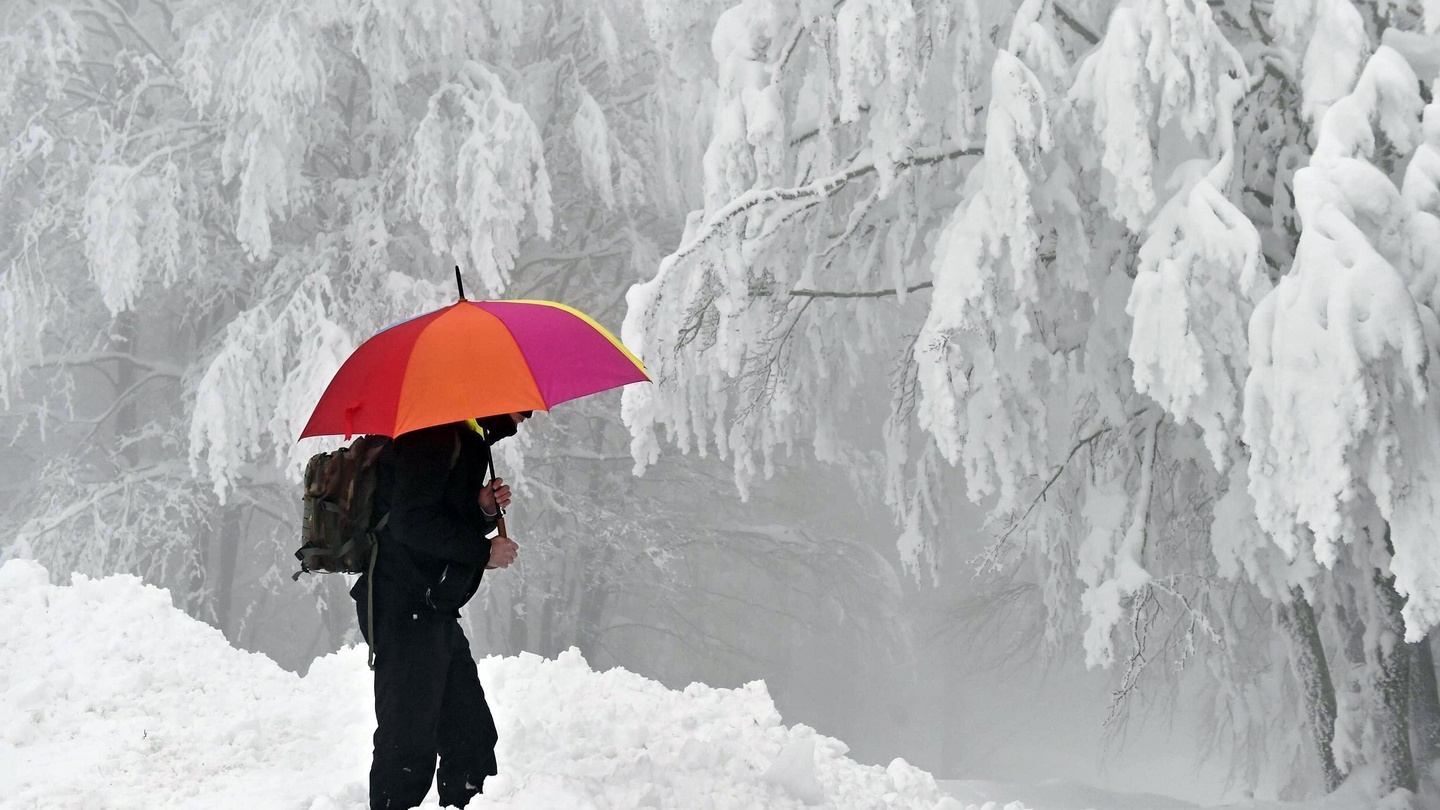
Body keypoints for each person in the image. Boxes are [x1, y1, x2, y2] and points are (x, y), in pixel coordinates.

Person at [351, 411, 530, 809]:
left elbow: (438, 517)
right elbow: (411, 525)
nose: (527, 414)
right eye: (521, 405)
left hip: (433, 609)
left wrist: (481, 511)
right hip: (402, 607)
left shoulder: (461, 437)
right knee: (407, 744)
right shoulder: (431, 436)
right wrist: (484, 551)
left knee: (471, 735)